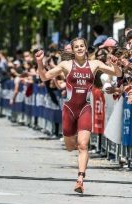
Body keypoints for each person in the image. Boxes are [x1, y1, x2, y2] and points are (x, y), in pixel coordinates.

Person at [34, 37, 121, 193]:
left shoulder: (95, 64)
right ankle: (74, 149)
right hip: (69, 109)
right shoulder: (66, 65)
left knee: (83, 145)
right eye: (77, 47)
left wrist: (115, 64)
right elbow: (44, 77)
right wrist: (40, 63)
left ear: (86, 48)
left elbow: (118, 73)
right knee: (69, 146)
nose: (80, 48)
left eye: (82, 46)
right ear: (73, 50)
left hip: (85, 108)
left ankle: (80, 179)